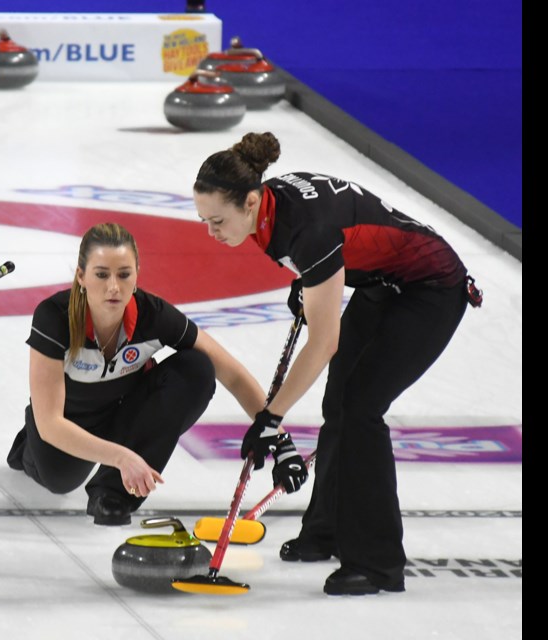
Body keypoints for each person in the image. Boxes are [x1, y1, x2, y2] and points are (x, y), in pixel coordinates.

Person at [192, 131, 482, 596]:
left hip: (431, 288)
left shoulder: (305, 230)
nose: (211, 231)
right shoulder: (271, 202)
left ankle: (377, 563)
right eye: (203, 220)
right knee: (338, 401)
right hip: (382, 284)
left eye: (217, 220)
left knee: (362, 407)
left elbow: (323, 341)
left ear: (250, 201)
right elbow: (343, 244)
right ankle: (326, 529)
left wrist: (271, 418)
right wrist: (311, 281)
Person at [6, 222, 308, 526]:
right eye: (101, 274)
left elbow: (231, 373)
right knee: (59, 480)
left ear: (137, 274)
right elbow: (51, 425)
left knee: (197, 368)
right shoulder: (54, 317)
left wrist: (280, 442)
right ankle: (25, 447)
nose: (114, 286)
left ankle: (112, 495)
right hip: (66, 425)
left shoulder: (154, 315)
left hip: (121, 415)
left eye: (124, 274)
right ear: (81, 277)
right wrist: (122, 457)